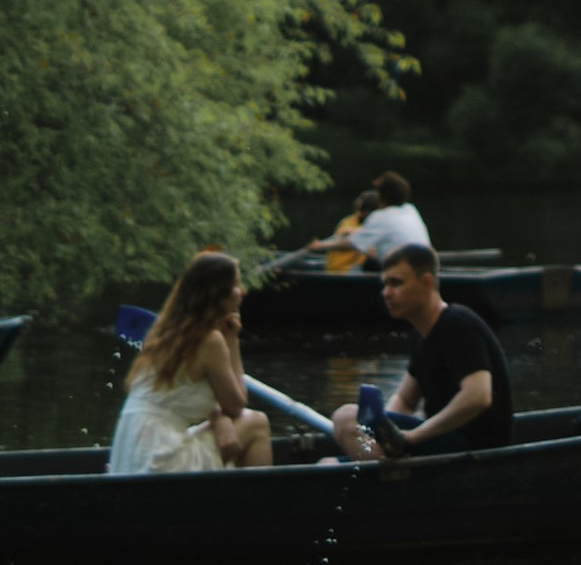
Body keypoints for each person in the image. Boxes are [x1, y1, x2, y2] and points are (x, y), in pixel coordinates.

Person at [328, 245, 511, 460]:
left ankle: (393, 483)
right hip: (442, 443)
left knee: (346, 417)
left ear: (426, 283)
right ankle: (390, 470)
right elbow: (406, 400)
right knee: (326, 463)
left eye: (395, 283)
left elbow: (478, 396)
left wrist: (416, 435)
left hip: (473, 447)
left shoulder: (458, 324)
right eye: (385, 284)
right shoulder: (422, 334)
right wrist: (384, 431)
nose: (386, 293)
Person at [108, 252, 274, 475]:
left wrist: (220, 419)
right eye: (235, 284)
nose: (242, 291)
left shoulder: (164, 331)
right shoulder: (209, 340)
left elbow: (181, 396)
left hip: (131, 450)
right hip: (161, 458)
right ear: (217, 294)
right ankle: (259, 507)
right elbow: (236, 403)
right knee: (257, 424)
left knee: (242, 427)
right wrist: (232, 340)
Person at [302, 171, 430, 268]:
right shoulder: (411, 210)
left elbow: (352, 244)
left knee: (366, 265)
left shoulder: (381, 217)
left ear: (383, 196)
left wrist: (320, 246)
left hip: (402, 270)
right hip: (422, 264)